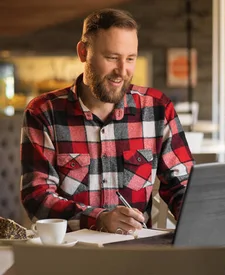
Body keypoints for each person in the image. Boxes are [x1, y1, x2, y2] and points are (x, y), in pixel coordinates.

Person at [20, 8, 194, 234]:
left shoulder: (158, 109)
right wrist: (98, 219)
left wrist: (199, 220)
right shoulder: (43, 112)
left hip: (137, 252)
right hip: (70, 257)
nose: (122, 71)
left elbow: (182, 186)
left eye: (130, 59)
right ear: (83, 53)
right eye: (112, 58)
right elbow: (37, 196)